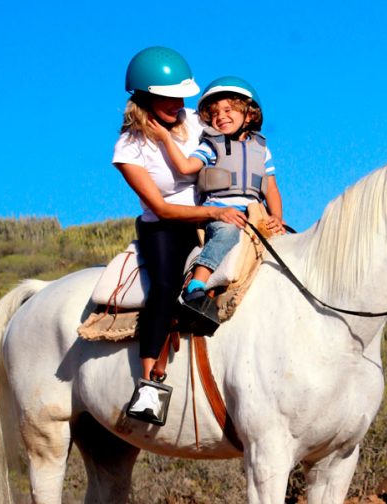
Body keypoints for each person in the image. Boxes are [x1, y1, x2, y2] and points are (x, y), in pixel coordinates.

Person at [113, 47, 246, 422]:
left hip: (212, 215)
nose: (178, 102)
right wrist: (215, 211)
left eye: (181, 95)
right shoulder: (128, 149)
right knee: (166, 284)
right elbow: (162, 207)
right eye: (168, 97)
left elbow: (233, 139)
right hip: (166, 228)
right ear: (143, 97)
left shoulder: (193, 120)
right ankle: (147, 386)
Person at [146, 76, 284, 326]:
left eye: (228, 110)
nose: (221, 116)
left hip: (254, 214)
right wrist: (166, 139)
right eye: (215, 113)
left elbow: (271, 188)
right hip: (220, 212)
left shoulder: (262, 149)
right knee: (226, 234)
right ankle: (195, 287)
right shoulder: (211, 146)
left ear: (250, 115)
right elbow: (187, 167)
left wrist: (277, 217)